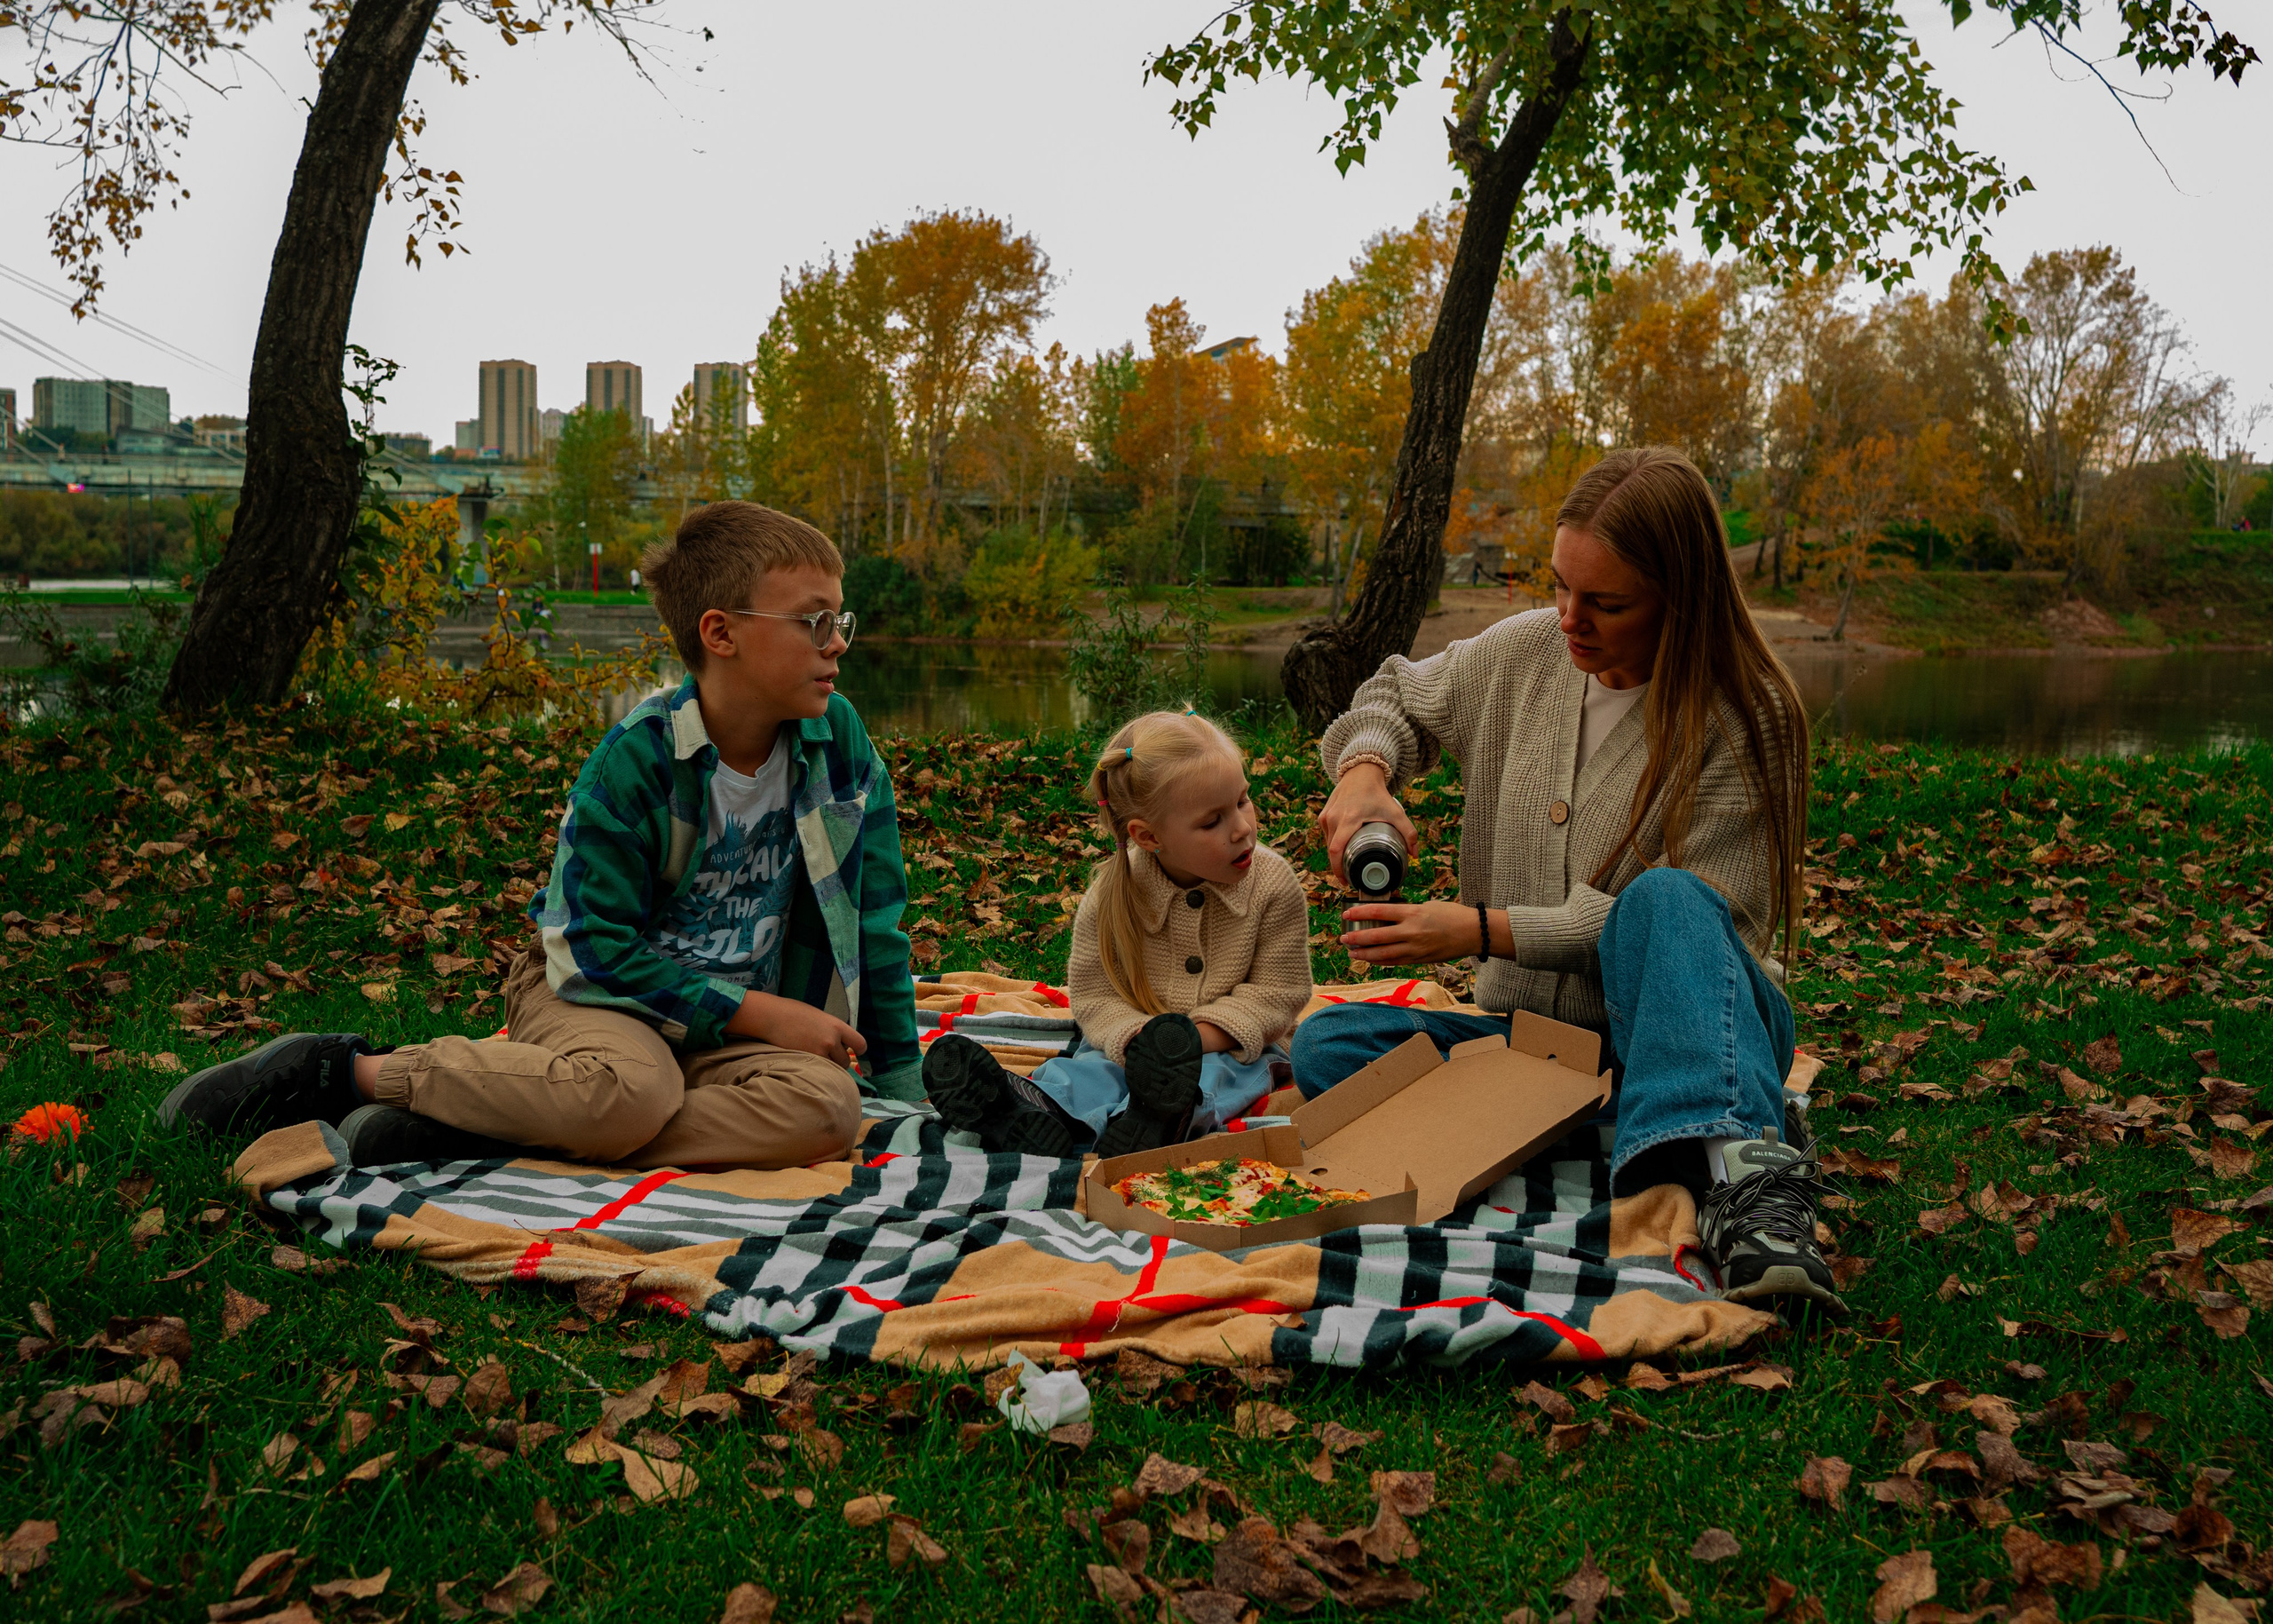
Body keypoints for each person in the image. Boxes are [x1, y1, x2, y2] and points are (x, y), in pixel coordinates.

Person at [161, 502, 919, 1170]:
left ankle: (506, 1121)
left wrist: (907, 1087)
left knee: (827, 1108)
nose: (837, 643)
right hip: (596, 993)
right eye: (815, 621)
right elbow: (593, 951)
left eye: (840, 621)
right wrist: (765, 1014)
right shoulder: (638, 760)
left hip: (713, 1028)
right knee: (628, 1093)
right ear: (720, 633)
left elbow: (875, 925)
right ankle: (344, 1072)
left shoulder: (837, 743)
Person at [1294, 448, 1838, 1311]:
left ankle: (1748, 1184)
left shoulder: (1747, 713)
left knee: (1664, 897)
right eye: (1558, 587)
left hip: (1689, 1021)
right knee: (1327, 1051)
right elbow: (1393, 693)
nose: (1568, 619)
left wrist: (1477, 929)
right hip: (1542, 1047)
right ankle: (1682, 1130)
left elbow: (1686, 924)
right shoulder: (1525, 654)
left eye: (1605, 602)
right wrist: (1362, 769)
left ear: (1679, 598)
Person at [924, 709, 1312, 1158]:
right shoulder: (1116, 890)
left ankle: (1164, 1118)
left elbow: (1277, 993)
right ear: (1148, 837)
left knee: (1218, 1077)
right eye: (1213, 821)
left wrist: (1193, 1041)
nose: (1243, 827)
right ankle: (1031, 1110)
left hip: (1237, 1044)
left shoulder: (1272, 884)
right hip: (1131, 1041)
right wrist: (1135, 1040)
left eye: (1243, 800)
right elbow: (1094, 993)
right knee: (1089, 1070)